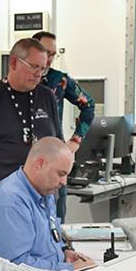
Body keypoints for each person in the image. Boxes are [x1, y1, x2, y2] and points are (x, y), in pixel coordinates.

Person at [0, 137, 96, 271]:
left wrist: (65, 252)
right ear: (40, 164)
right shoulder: (10, 202)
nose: (64, 182)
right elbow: (17, 267)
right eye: (61, 174)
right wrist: (68, 269)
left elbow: (53, 236)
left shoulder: (44, 190)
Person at [0, 38, 62, 195]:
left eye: (43, 69)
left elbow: (57, 142)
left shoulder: (46, 96)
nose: (39, 74)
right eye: (34, 67)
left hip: (40, 192)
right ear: (14, 63)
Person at [33, 31, 96, 222]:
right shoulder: (20, 80)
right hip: (27, 159)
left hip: (55, 156)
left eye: (53, 54)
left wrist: (76, 140)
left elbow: (88, 105)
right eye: (46, 52)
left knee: (56, 217)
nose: (49, 58)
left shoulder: (59, 80)